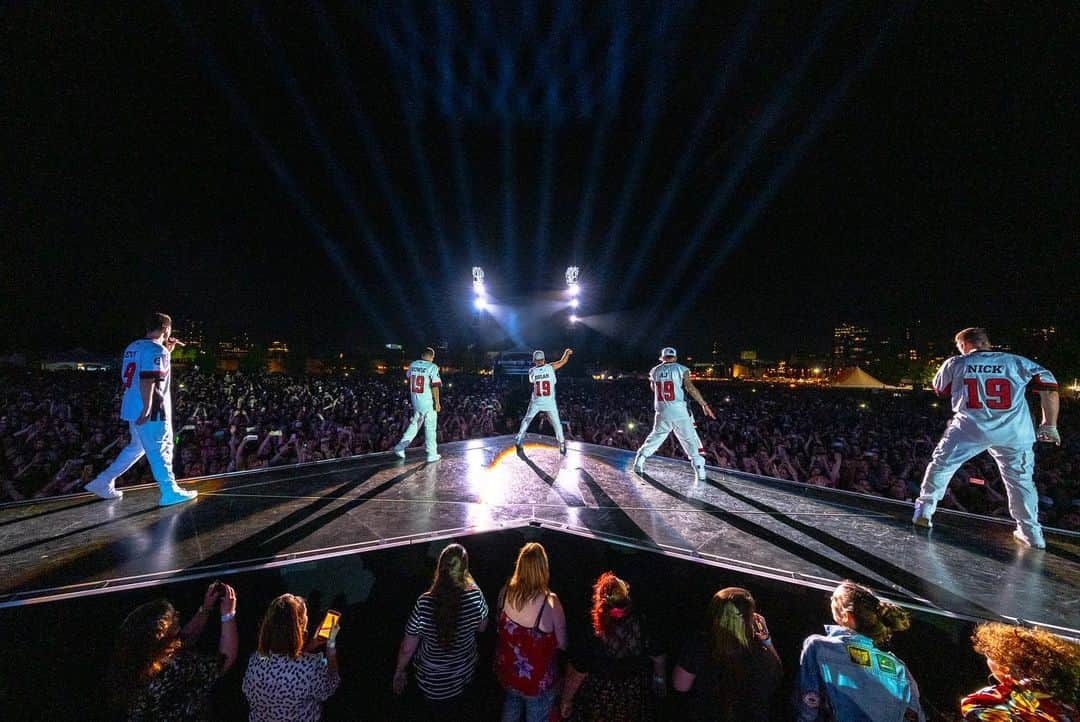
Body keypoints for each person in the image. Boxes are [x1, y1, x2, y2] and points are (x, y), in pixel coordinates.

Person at [913, 327, 1060, 548]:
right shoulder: (1017, 362)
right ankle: (1031, 532)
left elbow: (940, 389)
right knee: (1020, 482)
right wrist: (1049, 424)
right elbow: (1049, 388)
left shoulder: (956, 363)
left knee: (942, 465)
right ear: (986, 342)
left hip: (969, 427)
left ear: (963, 345)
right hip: (1014, 431)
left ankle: (924, 510)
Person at [85, 312, 197, 506]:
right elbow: (148, 378)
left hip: (131, 404)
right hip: (151, 408)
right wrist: (147, 408)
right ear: (165, 328)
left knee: (136, 448)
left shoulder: (133, 347)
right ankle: (169, 490)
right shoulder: (156, 350)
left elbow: (141, 371)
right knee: (161, 446)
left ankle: (103, 482)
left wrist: (166, 351)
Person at [796, 580, 925, 721]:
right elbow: (915, 716)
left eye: (834, 601)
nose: (831, 602)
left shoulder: (819, 647)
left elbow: (808, 705)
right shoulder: (898, 668)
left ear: (847, 616)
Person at [111, 582, 239, 721]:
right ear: (163, 633)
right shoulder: (177, 667)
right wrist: (228, 615)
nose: (178, 614)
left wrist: (205, 609)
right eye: (174, 616)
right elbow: (225, 660)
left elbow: (182, 640)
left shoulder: (131, 662)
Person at [393, 543, 489, 720]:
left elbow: (407, 647)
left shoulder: (424, 603)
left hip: (432, 684)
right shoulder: (475, 596)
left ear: (440, 567)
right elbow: (482, 627)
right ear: (464, 570)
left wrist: (399, 672)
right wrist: (471, 582)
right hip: (464, 676)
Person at [560, 572, 666, 722]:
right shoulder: (642, 623)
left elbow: (579, 671)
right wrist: (659, 680)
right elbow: (658, 656)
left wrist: (566, 700)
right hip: (632, 696)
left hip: (600, 698)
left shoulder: (593, 632)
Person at [672, 587, 782, 721]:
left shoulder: (700, 644)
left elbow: (680, 686)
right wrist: (767, 640)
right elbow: (776, 675)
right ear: (751, 618)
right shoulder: (761, 653)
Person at [494, 542, 568, 722]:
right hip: (537, 682)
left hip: (509, 673)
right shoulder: (550, 603)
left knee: (511, 706)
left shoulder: (505, 592)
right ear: (543, 568)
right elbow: (563, 644)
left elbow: (498, 626)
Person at [243, 593, 340, 722]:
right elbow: (332, 684)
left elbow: (285, 664)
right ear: (301, 630)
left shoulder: (255, 660)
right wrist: (330, 645)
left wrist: (312, 644)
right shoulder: (310, 667)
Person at [960, 622, 1080, 720]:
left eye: (988, 656)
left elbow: (973, 706)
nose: (987, 662)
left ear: (1003, 664)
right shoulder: (1062, 699)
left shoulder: (982, 704)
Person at [633, 347, 716, 481]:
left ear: (662, 357)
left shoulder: (654, 370)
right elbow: (690, 387)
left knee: (656, 437)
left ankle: (639, 461)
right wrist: (703, 404)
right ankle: (700, 472)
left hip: (662, 411)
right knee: (689, 440)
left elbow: (653, 389)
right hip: (679, 411)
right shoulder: (682, 369)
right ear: (675, 357)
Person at [516, 348, 573, 455]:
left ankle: (519, 438)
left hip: (536, 401)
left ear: (534, 360)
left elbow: (532, 381)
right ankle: (561, 443)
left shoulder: (531, 371)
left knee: (527, 419)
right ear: (544, 359)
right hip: (549, 402)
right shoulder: (550, 367)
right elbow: (563, 361)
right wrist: (566, 353)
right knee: (556, 423)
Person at [394, 347, 443, 463]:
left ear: (422, 356)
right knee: (430, 427)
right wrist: (437, 402)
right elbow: (435, 385)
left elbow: (409, 376)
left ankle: (400, 447)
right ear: (432, 357)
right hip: (427, 401)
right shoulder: (432, 367)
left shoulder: (413, 364)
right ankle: (432, 453)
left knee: (415, 424)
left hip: (416, 399)